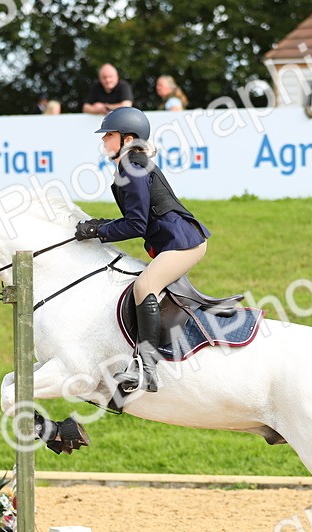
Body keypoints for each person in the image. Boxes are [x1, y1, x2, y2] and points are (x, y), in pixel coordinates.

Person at [73, 107, 210, 393]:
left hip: (183, 243)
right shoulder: (131, 164)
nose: (104, 140)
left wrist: (99, 231)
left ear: (128, 138)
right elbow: (137, 218)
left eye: (109, 135)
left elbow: (136, 224)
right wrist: (101, 225)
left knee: (144, 286)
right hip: (175, 240)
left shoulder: (133, 167)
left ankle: (146, 369)